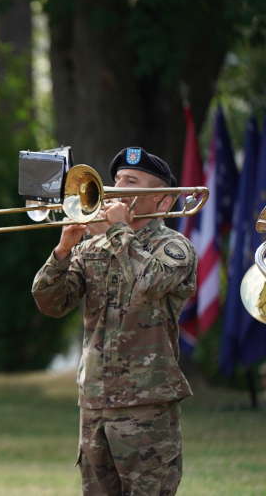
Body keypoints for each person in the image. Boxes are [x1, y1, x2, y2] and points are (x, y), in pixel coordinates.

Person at [31, 147, 197, 495]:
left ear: (162, 202)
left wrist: (120, 231)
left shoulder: (174, 247)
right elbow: (51, 302)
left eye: (131, 182)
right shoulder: (94, 246)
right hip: (94, 400)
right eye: (117, 179)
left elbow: (149, 283)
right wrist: (62, 251)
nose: (114, 189)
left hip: (146, 403)